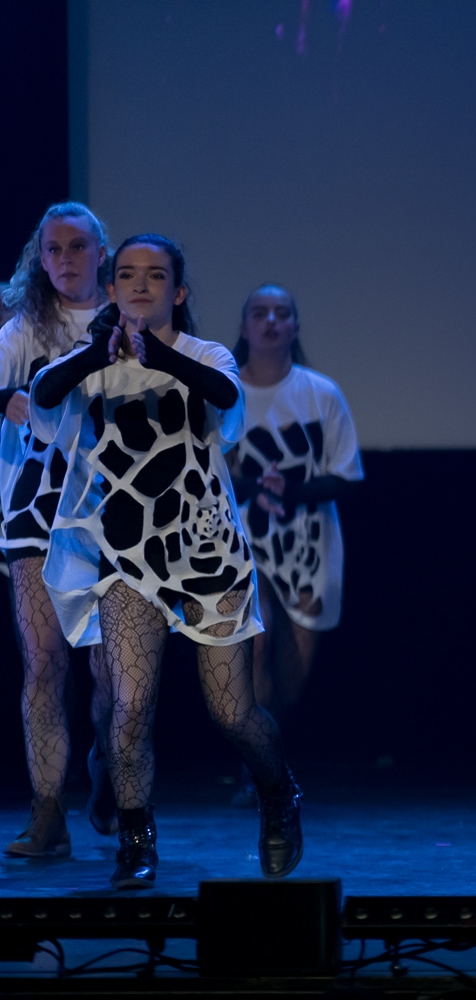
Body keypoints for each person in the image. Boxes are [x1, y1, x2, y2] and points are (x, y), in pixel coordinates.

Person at [30, 234, 301, 889]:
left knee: (232, 712)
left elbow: (226, 399)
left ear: (178, 292)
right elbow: (44, 396)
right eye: (127, 274)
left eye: (155, 276)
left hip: (206, 553)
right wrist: (98, 351)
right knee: (129, 710)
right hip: (126, 557)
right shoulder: (90, 362)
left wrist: (159, 354)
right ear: (112, 288)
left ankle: (278, 792)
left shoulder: (205, 355)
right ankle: (136, 839)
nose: (140, 284)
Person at [0, 202, 116, 857]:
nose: (64, 259)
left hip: (112, 515)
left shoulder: (125, 320)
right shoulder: (24, 328)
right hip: (36, 513)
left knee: (110, 673)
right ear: (39, 259)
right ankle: (48, 811)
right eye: (53, 249)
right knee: (43, 664)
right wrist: (4, 398)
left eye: (76, 247)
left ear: (100, 252)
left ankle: (108, 764)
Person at [225, 285, 362, 807]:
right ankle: (258, 771)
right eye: (259, 313)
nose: (271, 322)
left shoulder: (321, 393)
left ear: (295, 327)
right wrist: (252, 486)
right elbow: (208, 468)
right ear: (244, 326)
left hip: (308, 544)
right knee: (256, 644)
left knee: (292, 676)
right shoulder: (224, 392)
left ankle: (272, 760)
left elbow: (346, 475)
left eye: (282, 313)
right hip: (243, 539)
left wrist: (292, 491)